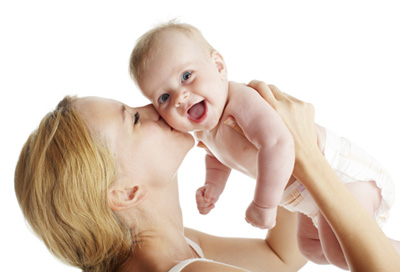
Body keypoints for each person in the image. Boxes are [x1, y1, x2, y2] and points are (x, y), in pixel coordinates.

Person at [14, 83, 400, 272]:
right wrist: (309, 158)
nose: (153, 107)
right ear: (127, 191)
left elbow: (280, 259)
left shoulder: (174, 251)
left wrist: (274, 153)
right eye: (133, 118)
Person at [129, 21, 398, 269]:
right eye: (164, 96)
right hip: (307, 196)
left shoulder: (240, 101)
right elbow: (218, 158)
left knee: (338, 250)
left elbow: (279, 144)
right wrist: (214, 185)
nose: (180, 96)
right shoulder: (202, 131)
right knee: (311, 249)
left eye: (186, 76)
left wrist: (264, 205)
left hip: (338, 174)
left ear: (219, 66)